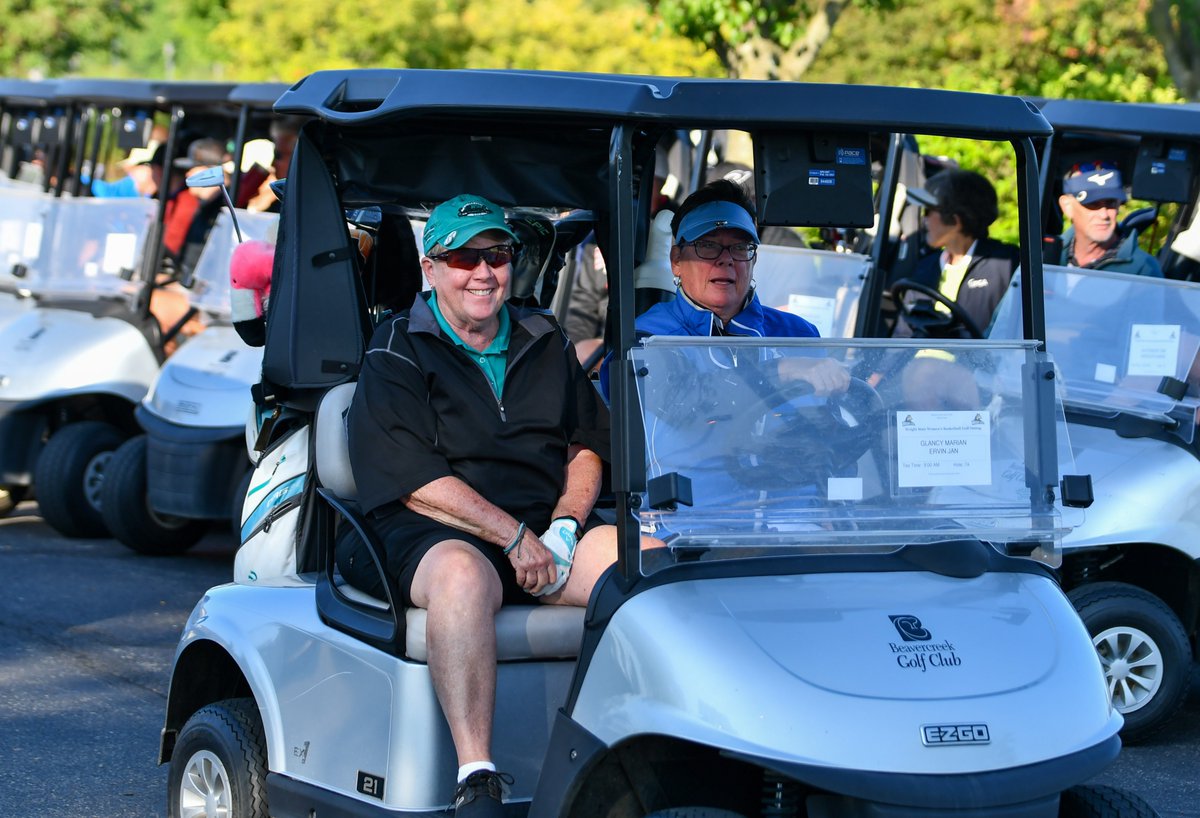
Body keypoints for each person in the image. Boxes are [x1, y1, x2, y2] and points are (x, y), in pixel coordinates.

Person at [337, 194, 633, 818]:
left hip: (539, 527)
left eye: (495, 255)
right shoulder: (396, 347)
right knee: (462, 577)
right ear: (431, 268)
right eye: (463, 258)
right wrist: (513, 536)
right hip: (428, 529)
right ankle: (478, 777)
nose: (483, 273)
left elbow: (586, 443)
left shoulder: (543, 335)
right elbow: (415, 480)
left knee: (644, 566)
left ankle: (643, 748)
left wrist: (564, 526)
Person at [601, 179, 848, 397]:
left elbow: (827, 428)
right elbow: (683, 400)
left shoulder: (798, 334)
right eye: (707, 245)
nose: (726, 259)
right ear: (676, 260)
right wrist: (780, 371)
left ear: (754, 260)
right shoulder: (647, 338)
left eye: (740, 247)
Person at [894, 168, 1019, 338]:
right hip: (919, 363)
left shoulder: (1008, 264)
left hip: (974, 364)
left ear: (956, 220)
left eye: (928, 211)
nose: (925, 219)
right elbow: (901, 336)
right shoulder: (925, 267)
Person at [1059, 161, 1163, 277]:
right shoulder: (1044, 253)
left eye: (1111, 203)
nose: (1104, 215)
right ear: (1067, 206)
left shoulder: (1143, 269)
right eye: (1093, 204)